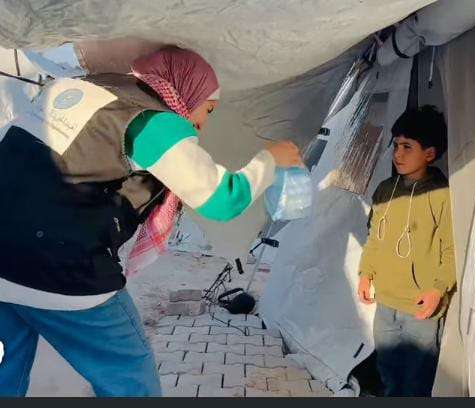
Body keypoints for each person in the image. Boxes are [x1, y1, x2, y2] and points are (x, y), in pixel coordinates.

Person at [0, 46, 302, 397]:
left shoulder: (81, 86)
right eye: (208, 109)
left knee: (9, 368)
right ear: (187, 89)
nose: (203, 123)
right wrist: (270, 159)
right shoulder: (149, 119)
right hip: (62, 270)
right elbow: (222, 200)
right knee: (130, 378)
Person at [357, 105, 456, 397]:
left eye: (407, 147)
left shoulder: (442, 195)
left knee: (416, 382)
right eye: (396, 145)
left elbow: (452, 249)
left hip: (421, 310)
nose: (397, 154)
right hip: (386, 303)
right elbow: (374, 238)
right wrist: (365, 273)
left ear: (429, 153)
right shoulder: (384, 191)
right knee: (389, 374)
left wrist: (438, 289)